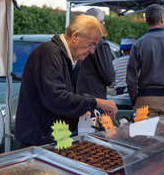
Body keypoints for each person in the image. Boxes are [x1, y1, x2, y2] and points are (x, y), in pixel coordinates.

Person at [14, 14, 118, 147]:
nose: (92, 51)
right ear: (75, 37)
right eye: (90, 44)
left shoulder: (72, 59)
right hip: (40, 140)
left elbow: (69, 96)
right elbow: (56, 98)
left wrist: (80, 110)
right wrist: (96, 102)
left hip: (57, 136)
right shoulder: (49, 53)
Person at [75, 8, 115, 99]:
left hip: (79, 95)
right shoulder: (100, 44)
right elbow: (109, 77)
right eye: (102, 22)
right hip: (95, 97)